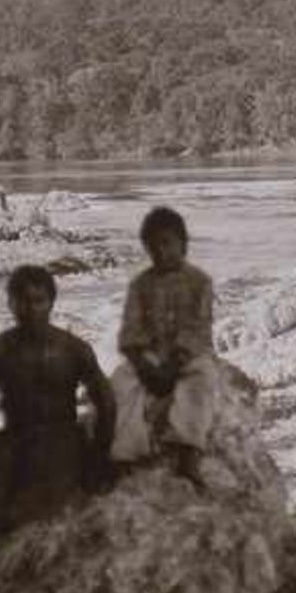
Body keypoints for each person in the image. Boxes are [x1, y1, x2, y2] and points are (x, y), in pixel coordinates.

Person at [0, 264, 117, 533]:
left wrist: (98, 456)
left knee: (43, 517)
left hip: (63, 439)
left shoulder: (74, 349)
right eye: (23, 301)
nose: (32, 309)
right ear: (10, 304)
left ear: (51, 303)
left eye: (39, 301)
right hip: (15, 441)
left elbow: (106, 403)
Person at [111, 206, 217, 487]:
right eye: (152, 246)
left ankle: (187, 451)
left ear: (184, 243)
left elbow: (198, 328)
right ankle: (126, 454)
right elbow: (130, 332)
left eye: (167, 243)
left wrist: (173, 366)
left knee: (201, 381)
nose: (160, 252)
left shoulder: (200, 282)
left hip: (188, 356)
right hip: (151, 354)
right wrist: (145, 368)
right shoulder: (139, 285)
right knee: (122, 383)